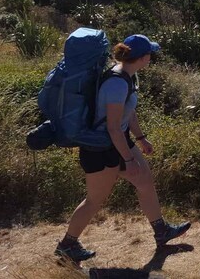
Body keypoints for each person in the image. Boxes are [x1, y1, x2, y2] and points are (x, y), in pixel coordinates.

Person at [55, 35, 190, 264]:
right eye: (150, 55)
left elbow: (129, 111)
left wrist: (141, 139)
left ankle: (161, 231)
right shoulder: (117, 82)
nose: (151, 58)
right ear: (144, 57)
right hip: (102, 147)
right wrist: (127, 159)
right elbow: (112, 127)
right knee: (94, 200)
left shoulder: (128, 75)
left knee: (145, 181)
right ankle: (67, 245)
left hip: (118, 141)